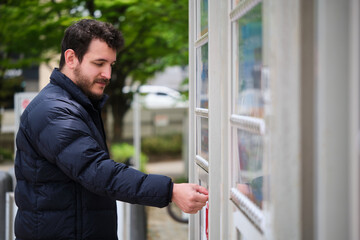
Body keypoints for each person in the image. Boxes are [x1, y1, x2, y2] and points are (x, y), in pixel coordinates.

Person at [14, 19, 208, 240]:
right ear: (71, 58)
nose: (108, 74)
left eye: (111, 65)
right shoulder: (53, 111)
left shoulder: (77, 104)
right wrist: (170, 191)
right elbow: (98, 171)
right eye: (99, 63)